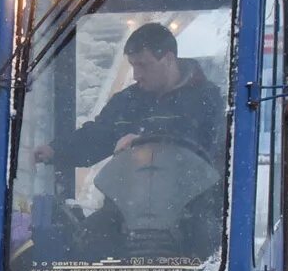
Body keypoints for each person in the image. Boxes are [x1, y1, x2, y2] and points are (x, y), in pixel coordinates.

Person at [32, 22, 225, 170]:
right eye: (133, 65)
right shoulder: (127, 101)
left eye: (143, 65)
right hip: (130, 201)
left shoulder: (206, 98)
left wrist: (145, 142)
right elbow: (98, 136)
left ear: (168, 59)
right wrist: (56, 150)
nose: (136, 75)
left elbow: (205, 148)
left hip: (189, 205)